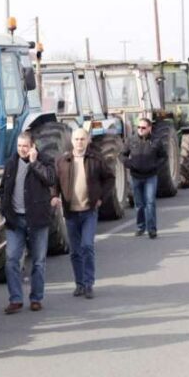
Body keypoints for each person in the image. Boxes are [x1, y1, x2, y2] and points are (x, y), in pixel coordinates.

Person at [52, 128, 114, 299]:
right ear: (71, 141)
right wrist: (54, 196)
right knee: (75, 251)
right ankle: (79, 284)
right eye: (76, 139)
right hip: (71, 213)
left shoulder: (95, 159)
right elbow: (55, 182)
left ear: (87, 141)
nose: (79, 142)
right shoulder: (63, 161)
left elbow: (110, 178)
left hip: (89, 211)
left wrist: (101, 197)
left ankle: (88, 284)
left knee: (87, 246)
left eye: (82, 139)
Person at [0, 131, 56, 314]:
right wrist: (6, 212)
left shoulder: (45, 160)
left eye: (25, 146)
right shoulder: (11, 163)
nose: (21, 150)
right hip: (15, 220)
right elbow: (3, 189)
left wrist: (34, 163)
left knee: (38, 261)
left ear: (33, 146)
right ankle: (15, 299)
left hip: (37, 220)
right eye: (19, 146)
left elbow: (50, 179)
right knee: (11, 260)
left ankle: (36, 298)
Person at [120, 118, 166, 239]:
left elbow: (163, 157)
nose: (140, 130)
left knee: (150, 202)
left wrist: (155, 166)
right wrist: (129, 164)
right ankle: (141, 227)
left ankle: (152, 229)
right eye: (138, 127)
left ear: (149, 128)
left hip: (151, 176)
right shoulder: (131, 140)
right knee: (139, 204)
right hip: (136, 176)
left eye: (143, 128)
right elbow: (122, 155)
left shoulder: (156, 141)